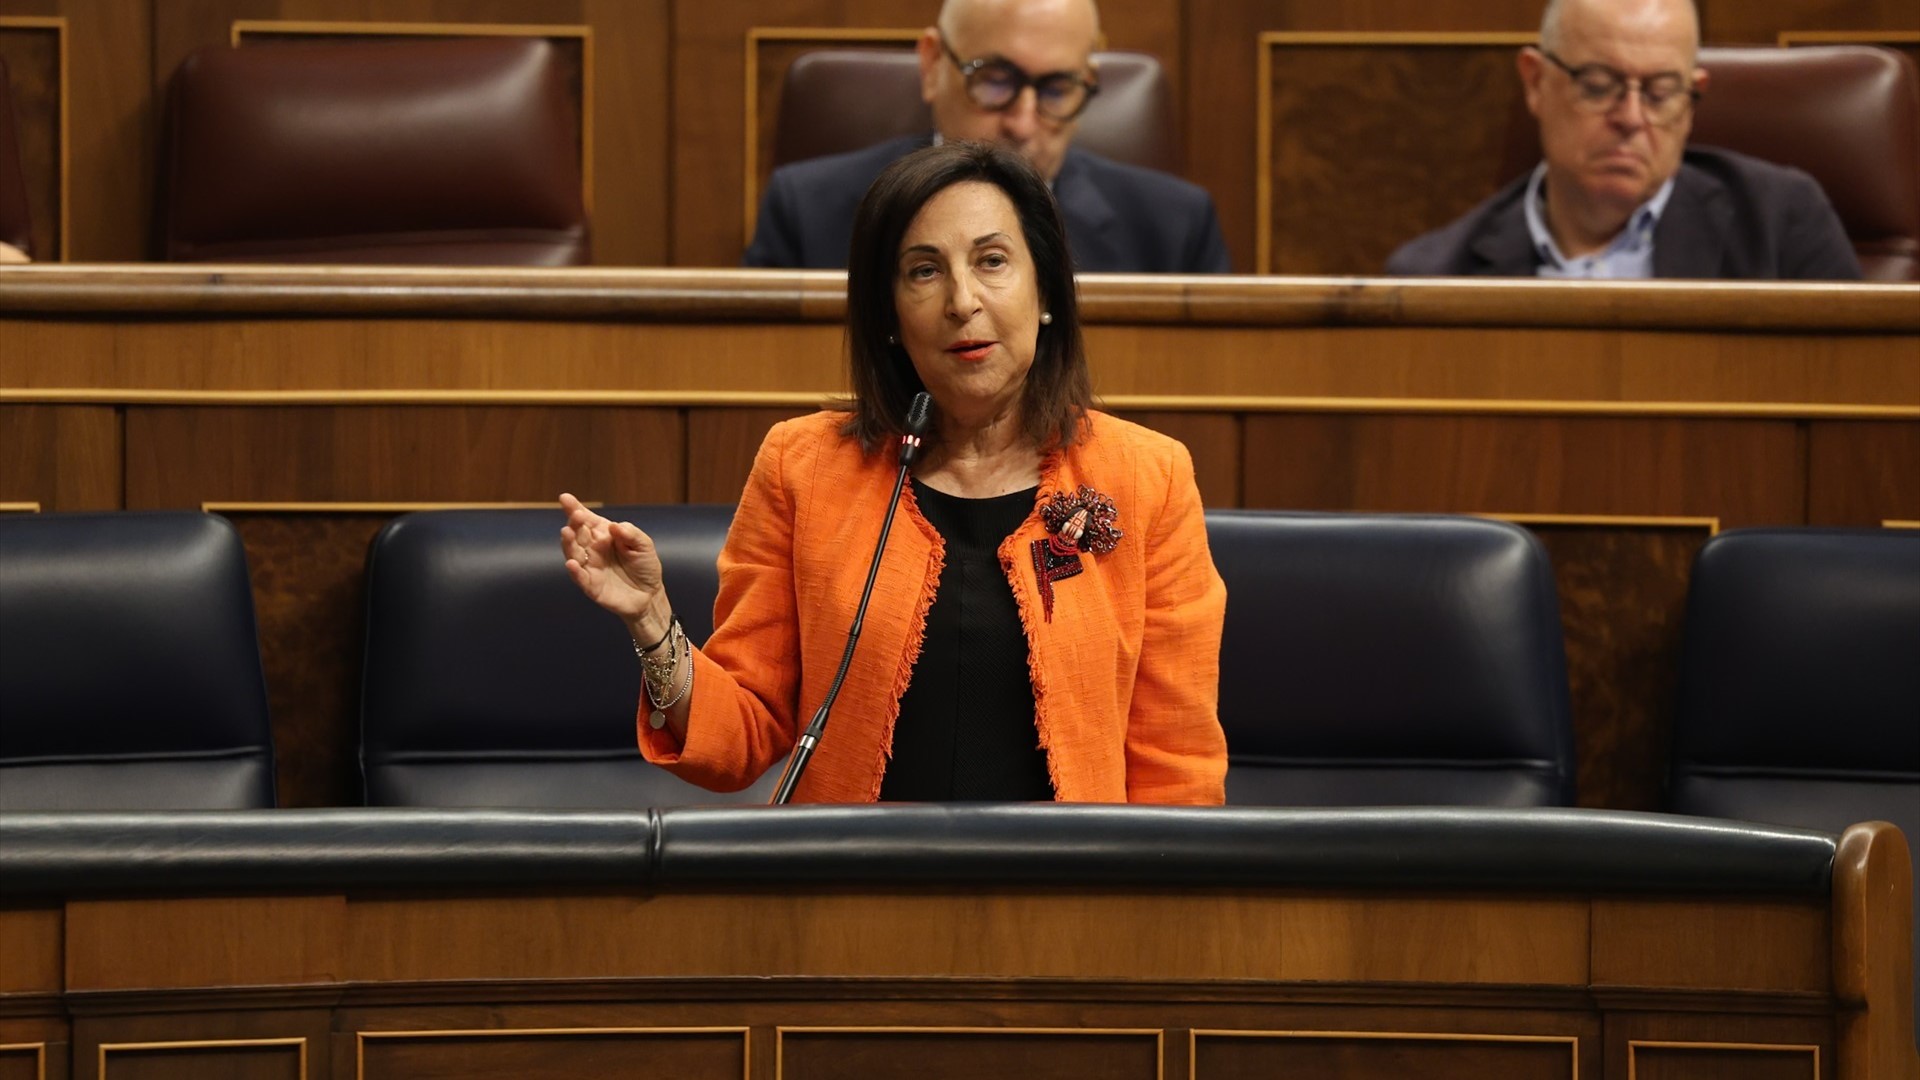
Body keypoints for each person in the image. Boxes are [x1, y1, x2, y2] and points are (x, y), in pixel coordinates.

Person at [564, 141, 1228, 804]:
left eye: (992, 261)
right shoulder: (804, 467)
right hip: (852, 887)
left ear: (1045, 288)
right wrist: (652, 622)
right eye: (923, 272)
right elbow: (740, 739)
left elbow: (1179, 771)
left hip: (1062, 895)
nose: (961, 301)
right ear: (888, 315)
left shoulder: (1148, 477)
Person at [744, 0, 1231, 274]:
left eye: (1057, 88)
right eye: (995, 79)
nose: (1022, 122)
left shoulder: (1176, 229)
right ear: (934, 64)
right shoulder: (807, 213)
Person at [1386, 0, 1861, 280]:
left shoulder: (1781, 227)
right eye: (1597, 85)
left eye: (1661, 92)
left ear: (1693, 98)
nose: (1632, 118)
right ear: (1535, 83)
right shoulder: (1436, 276)